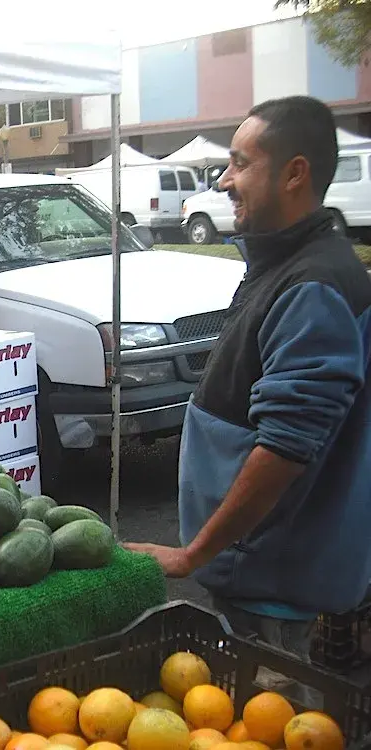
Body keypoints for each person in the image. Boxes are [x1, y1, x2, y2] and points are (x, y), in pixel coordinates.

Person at [125, 97, 371, 675]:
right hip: (260, 571)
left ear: (294, 173)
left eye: (240, 163)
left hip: (276, 586)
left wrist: (193, 555)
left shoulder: (313, 284)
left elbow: (287, 443)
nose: (224, 179)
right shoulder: (291, 264)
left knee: (273, 724)